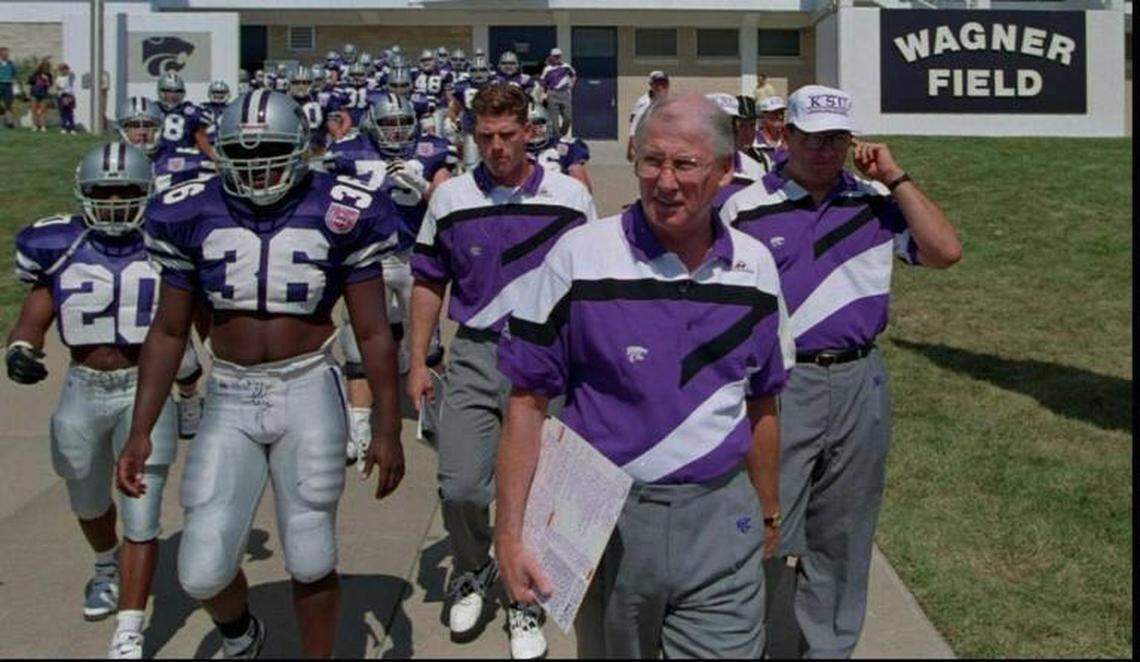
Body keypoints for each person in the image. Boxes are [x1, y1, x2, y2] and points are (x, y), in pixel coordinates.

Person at [495, 93, 793, 659]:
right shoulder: (578, 257)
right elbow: (527, 403)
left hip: (719, 518)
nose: (665, 181)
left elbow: (763, 402)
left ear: (724, 170)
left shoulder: (755, 268)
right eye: (652, 161)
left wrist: (768, 509)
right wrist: (509, 534)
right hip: (605, 517)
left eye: (685, 164)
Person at [115, 90, 407, 658]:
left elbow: (373, 331)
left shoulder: (342, 206)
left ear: (301, 149)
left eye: (271, 153)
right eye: (243, 154)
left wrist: (388, 427)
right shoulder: (189, 209)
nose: (257, 168)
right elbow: (169, 332)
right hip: (229, 390)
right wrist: (140, 428)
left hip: (306, 384)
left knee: (311, 551)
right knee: (201, 570)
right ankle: (242, 633)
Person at [719, 84, 962, 658]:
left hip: (859, 380)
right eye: (811, 137)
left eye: (836, 138)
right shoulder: (745, 207)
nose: (823, 150)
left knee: (844, 533)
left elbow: (945, 251)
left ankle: (827, 649)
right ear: (786, 135)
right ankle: (755, 644)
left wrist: (897, 177)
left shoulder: (875, 201)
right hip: (781, 385)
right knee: (764, 525)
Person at [407, 83, 595, 659]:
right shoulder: (450, 197)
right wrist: (418, 359)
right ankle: (473, 569)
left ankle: (524, 599)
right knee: (461, 485)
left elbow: (594, 282)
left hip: (548, 357)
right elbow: (428, 280)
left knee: (536, 490)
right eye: (485, 136)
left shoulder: (570, 196)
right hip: (475, 352)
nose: (496, 147)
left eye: (507, 135)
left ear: (529, 132)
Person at [7, 142, 178, 659]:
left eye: (126, 192)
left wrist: (193, 382)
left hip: (145, 388)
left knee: (142, 511)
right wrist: (21, 347)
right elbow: (35, 310)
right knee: (85, 497)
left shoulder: (166, 242)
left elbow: (190, 315)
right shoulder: (60, 244)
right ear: (83, 193)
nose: (115, 203)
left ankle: (129, 627)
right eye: (104, 192)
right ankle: (106, 563)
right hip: (83, 384)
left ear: (148, 193)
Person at [320, 93, 452, 461]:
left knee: (428, 344)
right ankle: (359, 423)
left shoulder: (431, 150)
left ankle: (439, 414)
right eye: (388, 124)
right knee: (358, 340)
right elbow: (323, 200)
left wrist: (423, 186)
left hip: (414, 258)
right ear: (372, 124)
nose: (396, 131)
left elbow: (449, 204)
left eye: (402, 123)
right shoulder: (348, 151)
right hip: (368, 259)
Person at [706, 92, 769, 210]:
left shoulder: (755, 171)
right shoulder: (687, 168)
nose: (723, 129)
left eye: (729, 122)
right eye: (716, 122)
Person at [526, 102, 591, 192]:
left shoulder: (566, 146)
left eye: (538, 122)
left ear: (547, 123)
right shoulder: (512, 149)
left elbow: (582, 188)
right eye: (526, 124)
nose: (533, 128)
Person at [626, 70, 669, 161]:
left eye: (664, 83)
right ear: (651, 85)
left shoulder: (667, 101)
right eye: (657, 83)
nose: (661, 86)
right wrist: (630, 147)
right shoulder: (644, 103)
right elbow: (634, 125)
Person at [538, 48, 575, 138]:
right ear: (551, 57)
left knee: (568, 117)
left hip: (564, 93)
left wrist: (571, 85)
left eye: (558, 56)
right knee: (554, 119)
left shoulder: (566, 66)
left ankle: (562, 133)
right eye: (555, 56)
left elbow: (573, 75)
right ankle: (558, 138)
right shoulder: (547, 69)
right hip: (552, 93)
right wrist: (543, 94)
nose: (557, 58)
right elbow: (542, 83)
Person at [27, 57, 53, 132]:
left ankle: (43, 126)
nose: (46, 68)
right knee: (34, 110)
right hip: (34, 94)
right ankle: (35, 126)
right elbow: (30, 83)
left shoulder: (49, 75)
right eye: (44, 66)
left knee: (43, 110)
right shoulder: (35, 74)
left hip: (44, 94)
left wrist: (46, 80)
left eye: (47, 67)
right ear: (41, 67)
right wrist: (28, 94)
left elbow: (50, 85)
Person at [55, 62, 77, 134]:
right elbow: (57, 87)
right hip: (61, 96)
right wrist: (59, 88)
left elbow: (72, 74)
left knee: (69, 112)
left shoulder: (69, 77)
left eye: (64, 69)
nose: (62, 71)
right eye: (61, 69)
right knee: (62, 113)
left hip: (68, 95)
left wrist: (67, 69)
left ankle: (72, 128)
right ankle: (64, 127)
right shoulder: (58, 78)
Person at [0, 46, 16, 129]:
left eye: (7, 53)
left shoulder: (11, 63)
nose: (6, 55)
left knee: (8, 103)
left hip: (8, 84)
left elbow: (14, 72)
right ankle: (3, 120)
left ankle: (9, 122)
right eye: (4, 53)